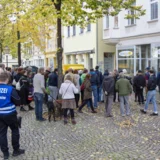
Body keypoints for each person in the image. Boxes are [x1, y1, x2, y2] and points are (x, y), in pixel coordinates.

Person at [0, 71, 25, 160]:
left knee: (2, 134)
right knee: (14, 130)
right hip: (10, 113)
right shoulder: (10, 89)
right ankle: (16, 150)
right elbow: (18, 101)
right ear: (7, 79)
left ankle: (5, 153)